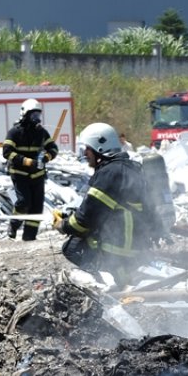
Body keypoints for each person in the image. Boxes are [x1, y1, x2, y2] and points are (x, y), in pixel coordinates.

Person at [56, 122, 149, 287]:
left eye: (88, 149)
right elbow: (94, 208)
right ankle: (120, 281)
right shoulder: (125, 168)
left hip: (120, 243)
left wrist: (63, 225)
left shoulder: (109, 173)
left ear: (100, 149)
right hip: (135, 239)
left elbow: (86, 219)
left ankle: (114, 285)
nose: (85, 153)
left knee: (72, 248)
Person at [2, 98, 58, 241]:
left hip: (37, 175)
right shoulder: (14, 132)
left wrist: (46, 157)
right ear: (25, 114)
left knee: (36, 208)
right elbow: (7, 152)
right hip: (20, 174)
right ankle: (14, 225)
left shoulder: (41, 133)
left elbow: (53, 148)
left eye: (38, 115)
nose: (36, 118)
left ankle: (29, 237)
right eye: (33, 115)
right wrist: (26, 161)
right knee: (24, 202)